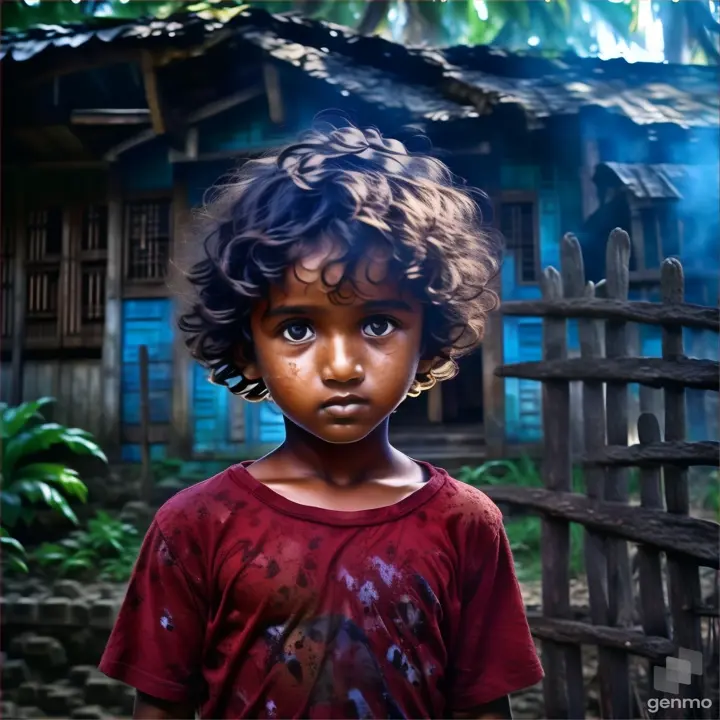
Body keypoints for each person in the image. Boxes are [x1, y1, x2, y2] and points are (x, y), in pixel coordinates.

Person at [99, 123, 543, 719]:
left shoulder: (464, 525)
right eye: (297, 329)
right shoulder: (196, 527)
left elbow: (485, 709)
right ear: (245, 346)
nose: (340, 367)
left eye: (378, 323)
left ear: (430, 339)